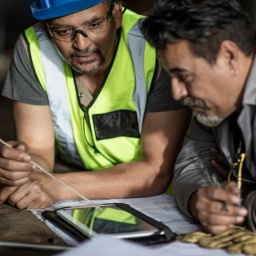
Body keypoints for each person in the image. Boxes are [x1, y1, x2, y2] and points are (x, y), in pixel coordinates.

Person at [0, 0, 191, 209]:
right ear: (46, 28)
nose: (82, 45)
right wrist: (21, 165)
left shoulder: (157, 46)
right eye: (63, 31)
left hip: (163, 205)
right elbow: (39, 153)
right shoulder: (32, 50)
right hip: (81, 201)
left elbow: (156, 172)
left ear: (116, 15)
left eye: (94, 25)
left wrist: (57, 186)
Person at [140, 0, 256, 234]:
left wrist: (244, 195)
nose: (177, 92)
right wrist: (200, 200)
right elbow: (191, 165)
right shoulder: (212, 106)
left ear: (229, 56)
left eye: (184, 76)